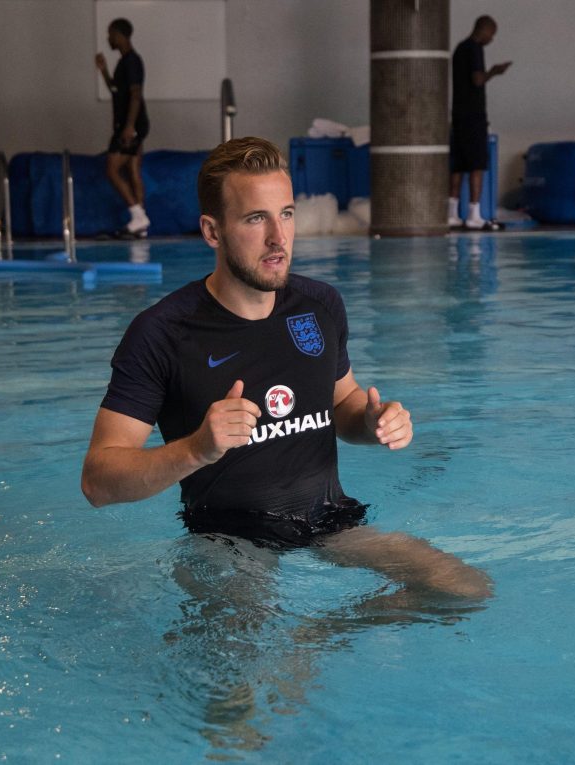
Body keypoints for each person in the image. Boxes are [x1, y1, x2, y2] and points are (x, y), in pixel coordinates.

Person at [82, 136, 491, 600]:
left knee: (463, 591)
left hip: (329, 521)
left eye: (287, 214)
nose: (279, 238)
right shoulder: (161, 333)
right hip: (229, 542)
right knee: (259, 666)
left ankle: (318, 635)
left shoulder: (320, 306)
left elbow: (342, 403)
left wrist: (372, 421)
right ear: (212, 232)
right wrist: (197, 448)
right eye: (256, 219)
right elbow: (98, 481)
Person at [448, 15, 511, 231]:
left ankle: (452, 213)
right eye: (491, 34)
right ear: (483, 31)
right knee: (477, 164)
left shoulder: (459, 49)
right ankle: (475, 215)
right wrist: (494, 71)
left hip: (458, 114)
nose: (492, 39)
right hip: (473, 116)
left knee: (458, 165)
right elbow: (477, 79)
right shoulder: (474, 49)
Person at [95, 18, 151, 238]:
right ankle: (142, 226)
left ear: (119, 35)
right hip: (133, 124)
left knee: (112, 169)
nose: (108, 38)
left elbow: (136, 95)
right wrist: (104, 71)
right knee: (133, 170)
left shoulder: (132, 62)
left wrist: (129, 127)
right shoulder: (123, 63)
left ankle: (138, 217)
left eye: (110, 34)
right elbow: (117, 90)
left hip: (131, 125)